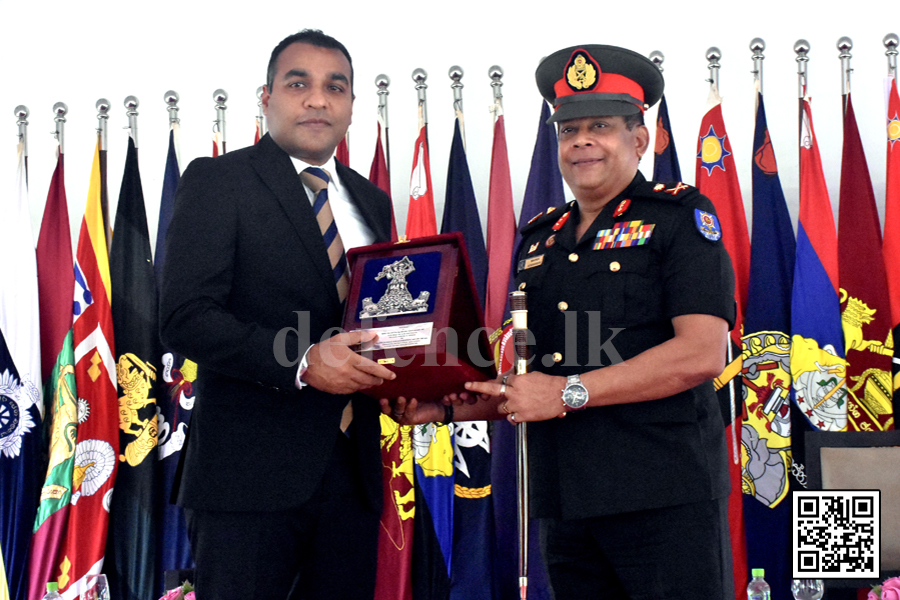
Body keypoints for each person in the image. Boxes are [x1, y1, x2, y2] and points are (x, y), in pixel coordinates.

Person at [383, 44, 736, 599]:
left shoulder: (680, 219)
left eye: (601, 125)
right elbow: (535, 381)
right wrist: (447, 406)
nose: (581, 141)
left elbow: (700, 354)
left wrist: (567, 393)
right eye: (568, 130)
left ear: (640, 140)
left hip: (662, 498)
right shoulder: (539, 240)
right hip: (565, 499)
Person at [159, 29, 397, 600]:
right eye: (299, 84)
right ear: (265, 99)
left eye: (334, 87)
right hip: (247, 479)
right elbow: (187, 315)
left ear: (351, 106)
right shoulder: (220, 181)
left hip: (352, 473)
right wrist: (303, 361)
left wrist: (407, 380)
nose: (317, 99)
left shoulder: (372, 201)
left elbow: (376, 322)